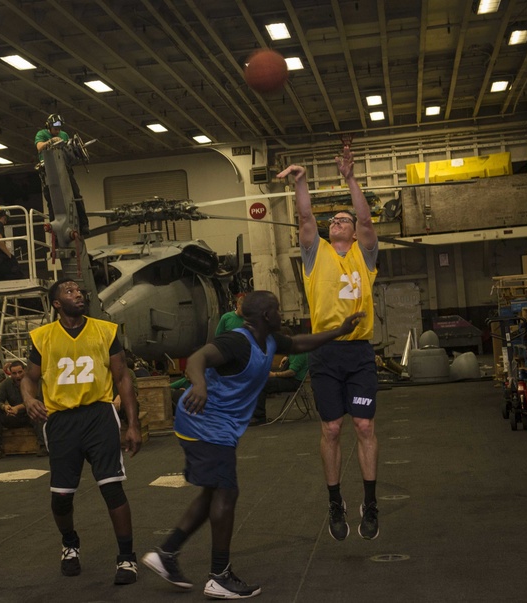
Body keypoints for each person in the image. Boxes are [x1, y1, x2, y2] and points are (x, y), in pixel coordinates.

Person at [141, 291, 362, 599]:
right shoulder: (238, 340)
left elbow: (299, 343)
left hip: (219, 427)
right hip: (204, 424)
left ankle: (166, 553)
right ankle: (219, 575)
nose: (281, 314)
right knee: (226, 493)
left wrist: (338, 331)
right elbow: (196, 359)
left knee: (213, 493)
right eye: (277, 309)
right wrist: (200, 384)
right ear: (265, 316)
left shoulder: (270, 340)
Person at [278, 144, 381, 542]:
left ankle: (370, 503)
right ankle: (335, 500)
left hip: (358, 351)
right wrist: (301, 182)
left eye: (343, 219)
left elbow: (367, 218)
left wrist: (351, 178)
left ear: (353, 231)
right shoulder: (313, 253)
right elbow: (305, 215)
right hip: (325, 352)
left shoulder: (365, 255)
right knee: (333, 429)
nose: (337, 222)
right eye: (333, 219)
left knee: (364, 424)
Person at [22, 277, 142, 586]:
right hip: (61, 421)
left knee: (112, 487)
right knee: (61, 496)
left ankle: (127, 557)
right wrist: (28, 398)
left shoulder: (105, 331)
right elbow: (29, 378)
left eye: (80, 290)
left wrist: (133, 424)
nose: (79, 294)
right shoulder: (42, 337)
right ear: (57, 303)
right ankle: (70, 543)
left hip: (99, 416)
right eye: (70, 291)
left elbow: (123, 378)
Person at [35, 113, 90, 236]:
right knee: (52, 200)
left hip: (64, 169)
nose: (57, 131)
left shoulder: (64, 135)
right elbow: (39, 147)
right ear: (49, 126)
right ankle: (56, 230)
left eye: (59, 128)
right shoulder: (42, 134)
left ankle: (84, 224)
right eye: (55, 128)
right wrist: (50, 141)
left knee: (76, 195)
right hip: (49, 171)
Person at [0, 360, 47, 459]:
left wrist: (18, 408)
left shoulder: (34, 381)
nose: (17, 376)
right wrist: (4, 407)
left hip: (30, 414)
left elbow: (38, 400)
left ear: (24, 371)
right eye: (14, 373)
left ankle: (43, 446)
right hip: (14, 416)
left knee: (39, 411)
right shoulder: (7, 383)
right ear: (10, 374)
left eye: (20, 372)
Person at [250, 349, 309, 426]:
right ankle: (255, 414)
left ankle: (259, 417)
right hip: (292, 380)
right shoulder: (297, 352)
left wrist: (274, 374)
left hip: (293, 382)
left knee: (260, 384)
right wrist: (287, 359)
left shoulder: (298, 353)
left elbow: (292, 372)